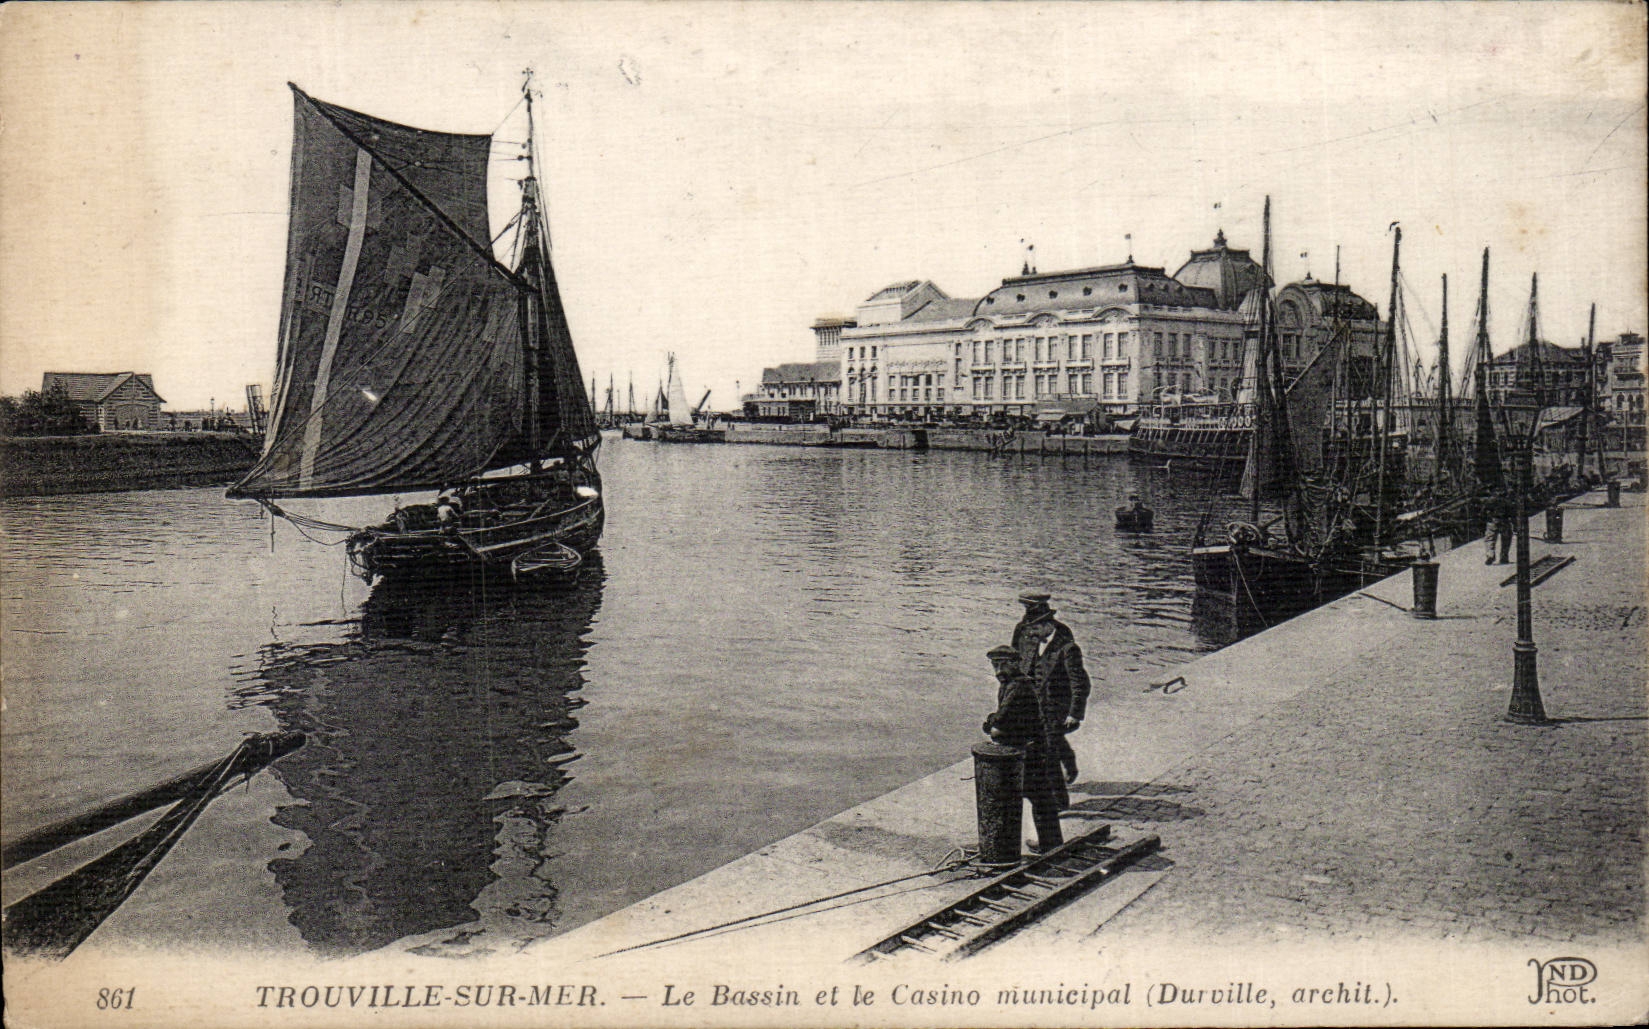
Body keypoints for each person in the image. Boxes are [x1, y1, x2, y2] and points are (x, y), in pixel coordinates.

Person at [982, 645, 1067, 853]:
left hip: (1028, 751)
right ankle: (1051, 843)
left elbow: (1000, 720)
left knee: (1035, 797)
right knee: (1040, 797)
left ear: (1015, 664)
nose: (998, 670)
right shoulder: (1011, 684)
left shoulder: (1018, 686)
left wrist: (991, 722)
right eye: (995, 665)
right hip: (1027, 749)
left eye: (1003, 664)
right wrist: (994, 723)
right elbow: (1001, 718)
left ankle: (1045, 845)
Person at [1010, 592, 1091, 785]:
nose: (1032, 634)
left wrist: (1074, 713)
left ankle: (1055, 789)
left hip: (1055, 699)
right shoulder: (1022, 628)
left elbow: (1077, 679)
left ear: (1047, 623)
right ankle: (1064, 764)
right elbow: (1015, 658)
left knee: (1050, 739)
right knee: (1040, 736)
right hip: (1031, 694)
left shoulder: (1064, 638)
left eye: (1030, 608)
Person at [1483, 490, 1512, 565]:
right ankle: (1504, 557)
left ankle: (1490, 555)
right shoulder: (1506, 500)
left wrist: (1486, 518)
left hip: (1492, 521)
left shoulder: (1490, 500)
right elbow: (1512, 511)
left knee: (1490, 539)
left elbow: (1483, 510)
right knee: (1506, 539)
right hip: (1505, 521)